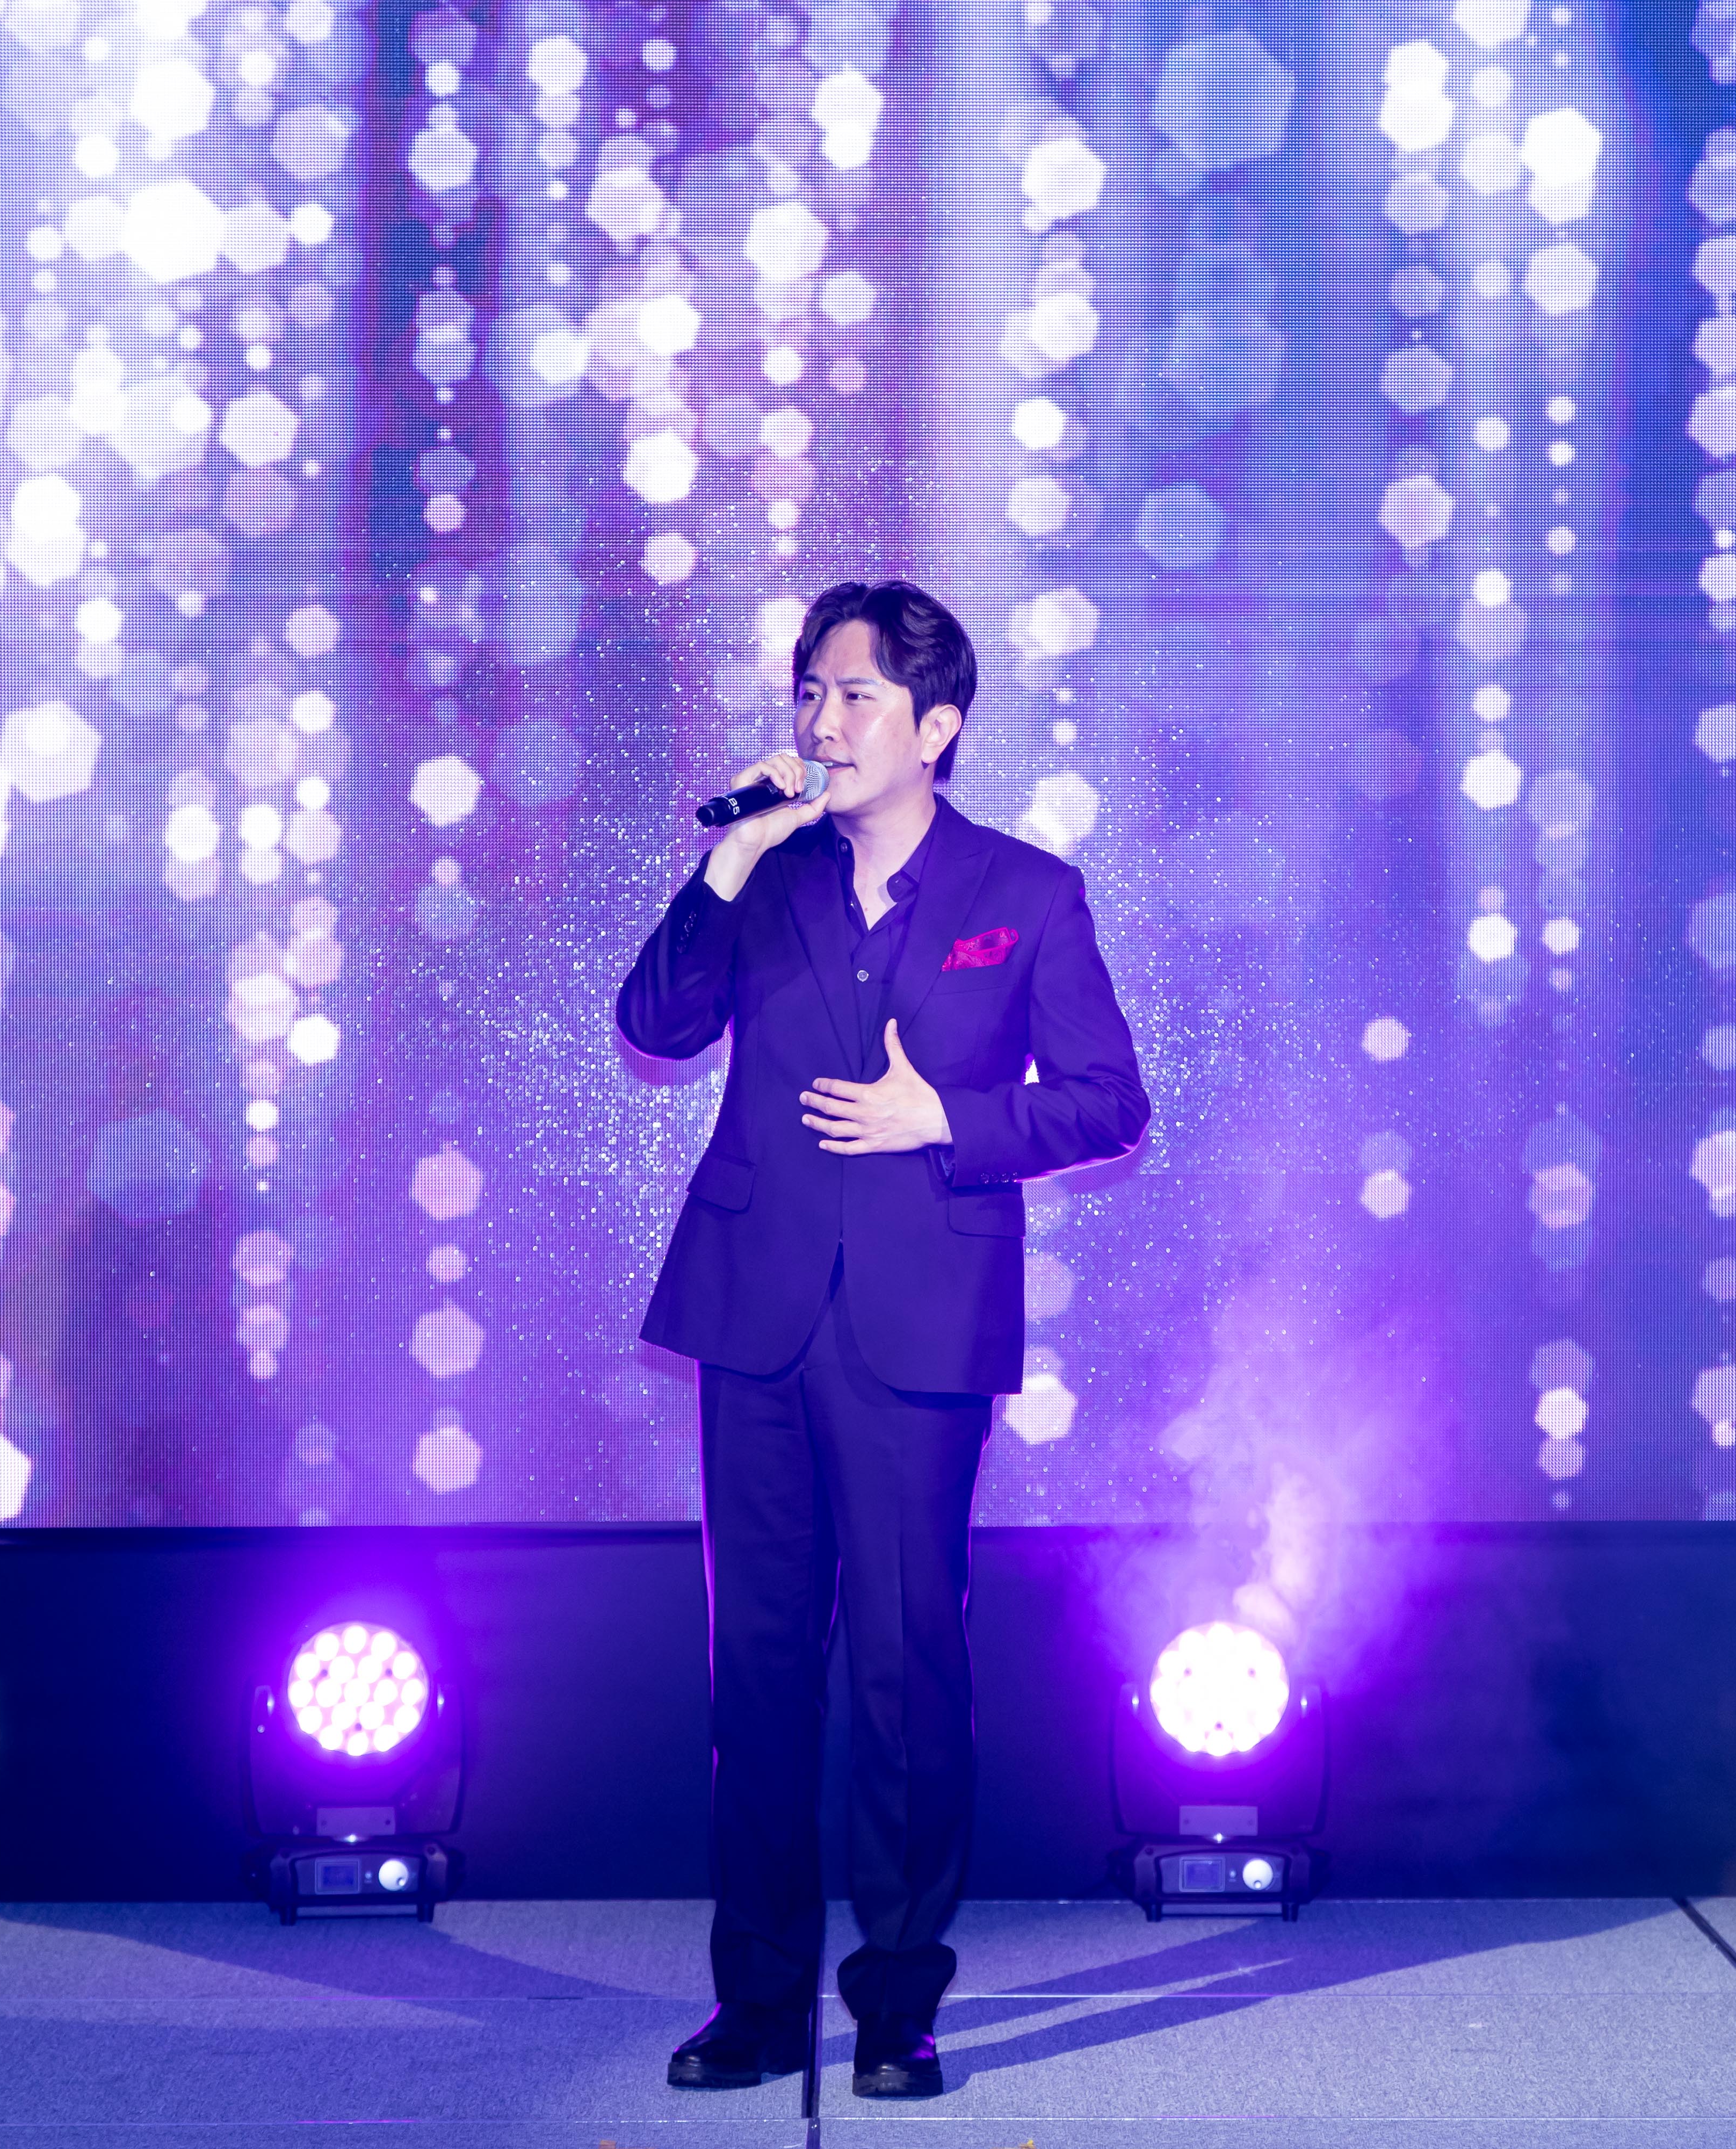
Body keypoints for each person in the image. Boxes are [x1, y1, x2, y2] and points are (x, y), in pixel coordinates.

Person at [617, 579, 1149, 2099]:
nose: (822, 720)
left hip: (920, 1330)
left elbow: (1111, 1102)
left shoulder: (1026, 893)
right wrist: (724, 864)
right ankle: (756, 1999)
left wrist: (950, 1120)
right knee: (757, 1671)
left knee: (909, 1674)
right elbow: (655, 1026)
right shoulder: (767, 876)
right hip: (755, 1318)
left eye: (854, 695)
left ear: (937, 725)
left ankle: (898, 2001)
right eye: (810, 691)